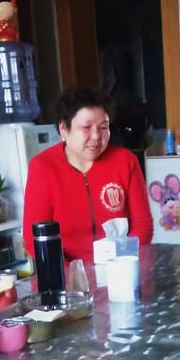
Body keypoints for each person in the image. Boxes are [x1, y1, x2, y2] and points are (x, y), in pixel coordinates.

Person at [23, 87, 154, 261]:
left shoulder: (125, 161)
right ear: (63, 129)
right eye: (86, 127)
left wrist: (122, 264)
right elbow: (35, 239)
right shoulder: (42, 167)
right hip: (66, 271)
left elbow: (142, 225)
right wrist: (71, 273)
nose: (96, 136)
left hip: (121, 266)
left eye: (103, 127)